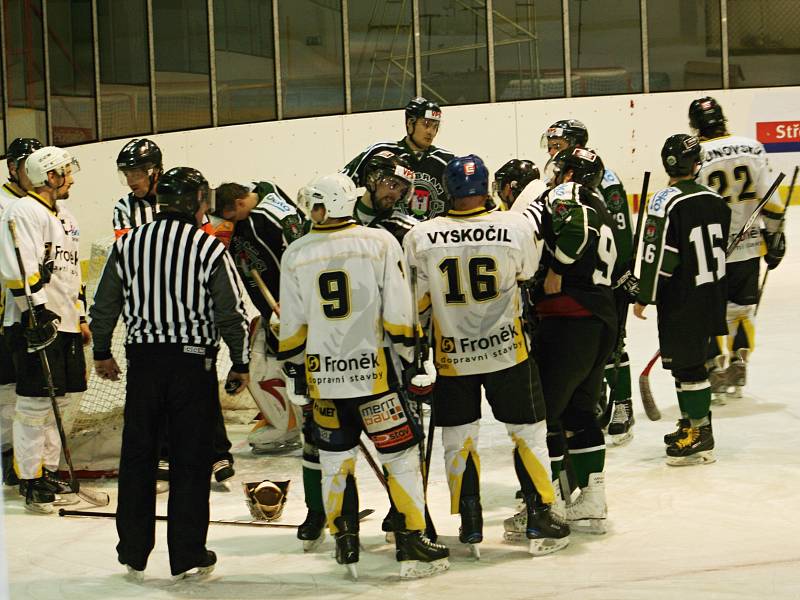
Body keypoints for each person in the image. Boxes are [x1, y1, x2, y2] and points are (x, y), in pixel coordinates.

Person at [278, 172, 449, 579]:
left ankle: (345, 541)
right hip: (375, 381)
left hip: (325, 384)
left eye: (316, 205)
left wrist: (296, 371)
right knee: (402, 456)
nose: (312, 212)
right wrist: (411, 358)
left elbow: (293, 325)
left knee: (336, 462)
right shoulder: (379, 243)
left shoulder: (297, 253)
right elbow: (398, 310)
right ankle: (411, 540)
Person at [89, 167, 250, 580]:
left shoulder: (128, 245)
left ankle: (133, 552)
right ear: (197, 202)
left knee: (138, 457)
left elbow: (105, 304)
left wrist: (103, 351)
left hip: (143, 363)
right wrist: (241, 362)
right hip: (191, 364)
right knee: (191, 461)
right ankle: (188, 553)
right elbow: (230, 312)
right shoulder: (209, 248)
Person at [405, 155, 569, 557]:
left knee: (458, 438)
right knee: (527, 433)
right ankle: (538, 513)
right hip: (506, 352)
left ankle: (470, 519)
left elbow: (418, 300)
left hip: (452, 358)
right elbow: (526, 273)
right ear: (487, 187)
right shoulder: (514, 227)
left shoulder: (422, 236)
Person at [113, 138, 235, 485]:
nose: (131, 179)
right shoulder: (124, 208)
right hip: (153, 304)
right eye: (127, 172)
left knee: (201, 381)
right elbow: (133, 254)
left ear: (155, 171)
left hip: (190, 301)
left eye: (137, 171)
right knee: (159, 388)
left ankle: (217, 451)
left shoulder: (185, 196)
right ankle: (166, 452)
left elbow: (207, 241)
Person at [527, 147, 618, 534]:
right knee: (580, 413)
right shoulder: (602, 204)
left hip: (568, 320)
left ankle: (551, 503)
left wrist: (558, 268)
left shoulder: (571, 194)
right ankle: (591, 499)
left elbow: (576, 227)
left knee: (544, 414)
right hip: (599, 320)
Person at [0, 146, 88, 513]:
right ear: (50, 176)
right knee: (35, 403)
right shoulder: (24, 211)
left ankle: (48, 469)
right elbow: (18, 266)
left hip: (64, 320)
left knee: (59, 403)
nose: (70, 177)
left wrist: (79, 315)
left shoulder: (64, 215)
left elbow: (71, 271)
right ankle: (30, 477)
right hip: (36, 321)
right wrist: (34, 312)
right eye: (66, 171)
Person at [634, 135, 730, 466]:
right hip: (712, 293)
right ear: (696, 163)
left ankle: (701, 435)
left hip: (683, 297)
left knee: (689, 369)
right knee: (691, 362)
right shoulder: (716, 199)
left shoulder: (665, 201)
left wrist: (644, 294)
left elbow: (658, 254)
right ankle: (691, 422)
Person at [542, 119, 636, 443]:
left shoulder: (602, 178)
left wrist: (623, 272)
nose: (553, 150)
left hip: (607, 269)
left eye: (559, 144)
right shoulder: (563, 175)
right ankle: (591, 404)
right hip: (588, 271)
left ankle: (622, 403)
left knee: (613, 341)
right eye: (551, 144)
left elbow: (618, 226)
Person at [689, 97, 784, 401]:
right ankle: (739, 359)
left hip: (709, 248)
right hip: (749, 244)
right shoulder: (752, 146)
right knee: (742, 309)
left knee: (708, 309)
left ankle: (716, 364)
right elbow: (771, 201)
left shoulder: (694, 154)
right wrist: (776, 239)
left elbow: (686, 203)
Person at [215, 181, 305, 454]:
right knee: (267, 364)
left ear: (241, 203)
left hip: (290, 310)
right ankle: (289, 422)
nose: (226, 222)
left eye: (229, 215)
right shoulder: (264, 190)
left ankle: (297, 424)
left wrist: (292, 298)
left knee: (285, 367)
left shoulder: (264, 220)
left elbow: (298, 255)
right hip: (277, 310)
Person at [0, 138, 43, 486]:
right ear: (13, 167)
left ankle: (29, 463)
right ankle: (10, 461)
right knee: (6, 393)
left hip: (26, 313)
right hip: (8, 313)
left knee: (26, 393)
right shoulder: (4, 204)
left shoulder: (40, 207)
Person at [343, 97, 454, 220]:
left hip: (429, 237)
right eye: (426, 124)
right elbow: (341, 185)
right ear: (410, 123)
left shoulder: (447, 161)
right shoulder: (381, 152)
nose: (431, 132)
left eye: (435, 126)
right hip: (387, 235)